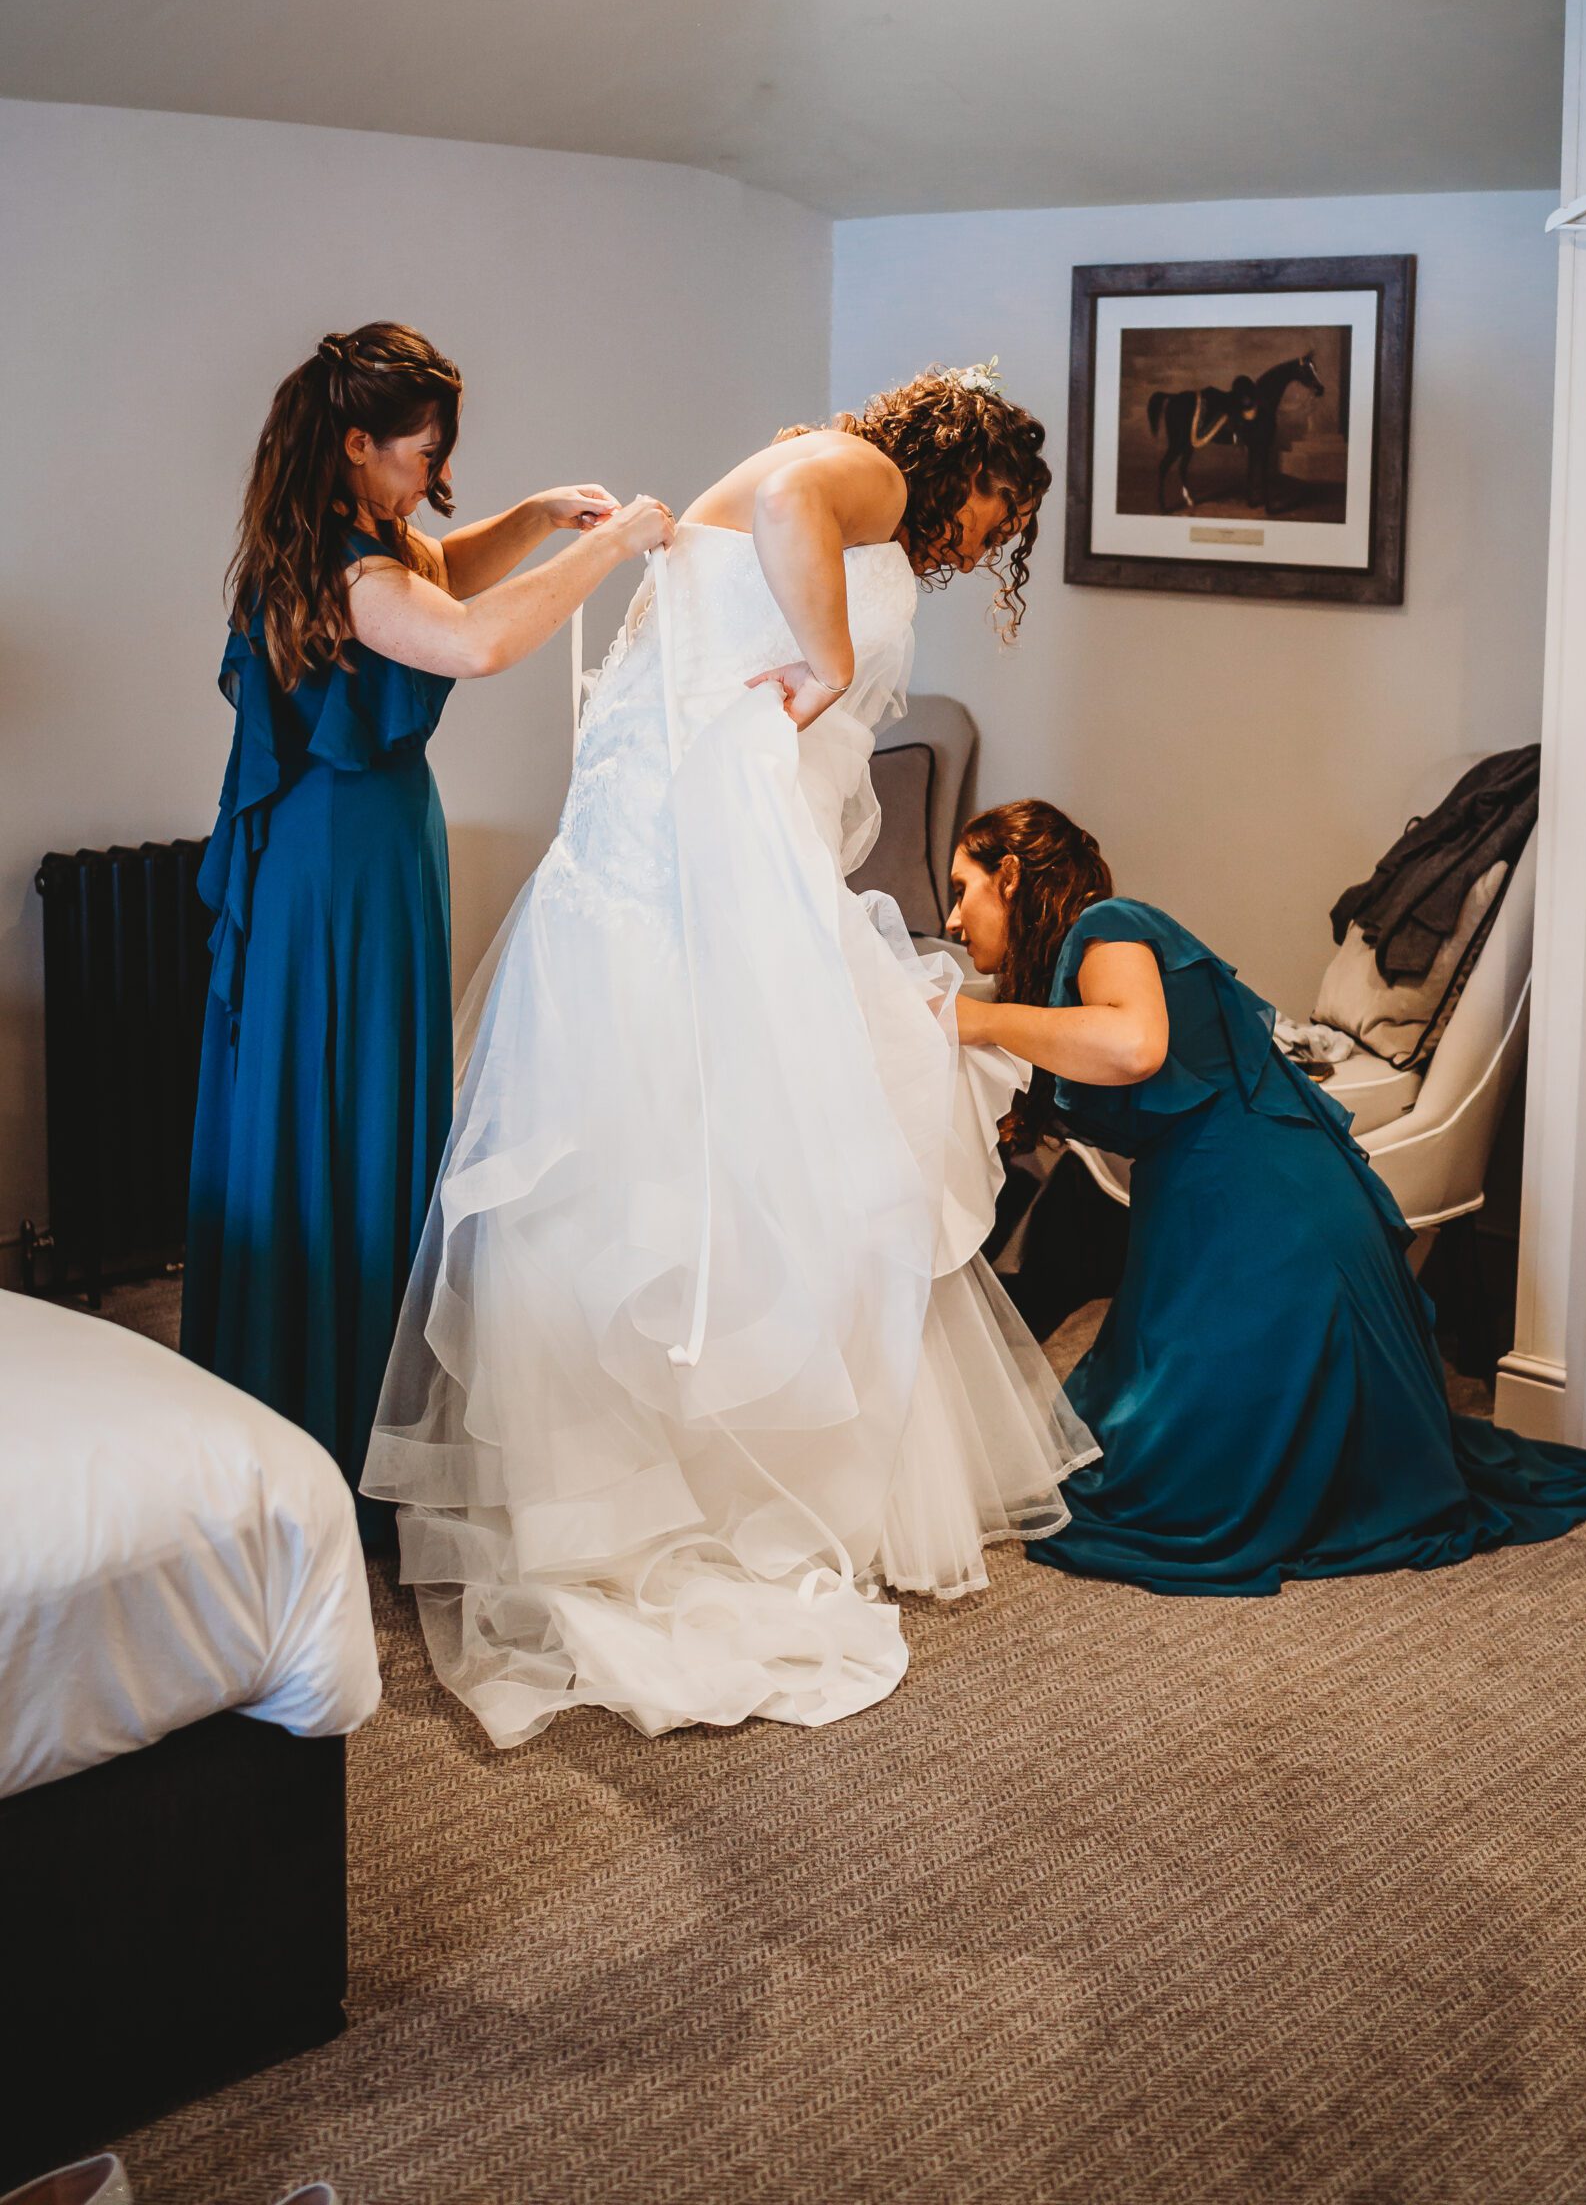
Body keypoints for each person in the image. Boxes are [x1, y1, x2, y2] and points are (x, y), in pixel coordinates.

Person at [362, 365, 1094, 1740]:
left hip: (679, 830)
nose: (985, 538)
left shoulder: (843, 479)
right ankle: (699, 1482)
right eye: (999, 512)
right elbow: (790, 508)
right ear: (973, 465)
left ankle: (640, 1476)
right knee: (757, 1139)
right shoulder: (859, 470)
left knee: (678, 1142)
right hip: (695, 842)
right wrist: (828, 665)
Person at [183, 321, 670, 1533]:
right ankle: (322, 1420)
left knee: (358, 1103)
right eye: (421, 451)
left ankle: (352, 1396)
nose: (434, 472)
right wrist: (609, 546)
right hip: (337, 876)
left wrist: (538, 516)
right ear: (358, 444)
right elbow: (473, 636)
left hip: (370, 853)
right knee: (336, 1108)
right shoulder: (349, 570)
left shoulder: (350, 534)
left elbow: (440, 564)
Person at [948, 799, 1586, 1595]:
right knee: (1120, 1438)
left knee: (1172, 1491)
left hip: (1267, 1215)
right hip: (1203, 1212)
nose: (952, 921)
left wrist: (978, 1021)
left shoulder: (1109, 925)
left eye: (961, 890)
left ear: (1010, 875)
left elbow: (1134, 1048)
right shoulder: (1067, 974)